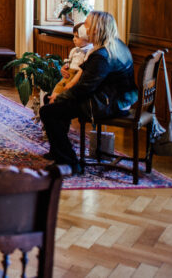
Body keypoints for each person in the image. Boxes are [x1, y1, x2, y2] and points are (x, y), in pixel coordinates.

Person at [39, 10, 138, 168]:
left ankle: (68, 161)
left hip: (107, 104)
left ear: (96, 29)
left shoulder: (102, 55)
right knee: (53, 102)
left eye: (86, 24)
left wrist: (60, 96)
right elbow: (87, 72)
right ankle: (58, 151)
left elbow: (84, 88)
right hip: (117, 100)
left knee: (48, 111)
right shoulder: (117, 45)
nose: (84, 28)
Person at [49, 22, 94, 101]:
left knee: (63, 96)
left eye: (77, 37)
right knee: (57, 89)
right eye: (74, 36)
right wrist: (64, 67)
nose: (74, 39)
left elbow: (84, 69)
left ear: (88, 38)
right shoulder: (74, 50)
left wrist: (72, 82)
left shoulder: (90, 51)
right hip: (69, 74)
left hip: (77, 76)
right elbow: (69, 61)